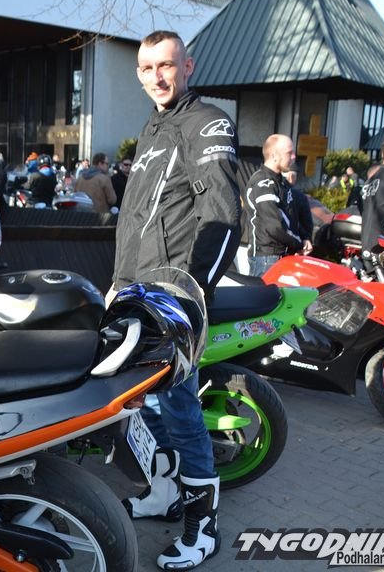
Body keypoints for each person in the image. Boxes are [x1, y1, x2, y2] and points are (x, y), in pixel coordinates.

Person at [109, 30, 240, 571]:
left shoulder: (207, 122)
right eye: (146, 68)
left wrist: (189, 296)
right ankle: (165, 493)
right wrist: (118, 285)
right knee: (145, 403)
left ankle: (204, 528)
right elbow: (139, 220)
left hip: (172, 298)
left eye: (166, 65)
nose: (156, 76)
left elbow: (223, 217)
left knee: (181, 409)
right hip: (135, 293)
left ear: (188, 66)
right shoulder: (152, 127)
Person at [245, 135, 304, 275]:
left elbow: (290, 216)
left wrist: (304, 237)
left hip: (280, 255)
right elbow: (274, 226)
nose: (294, 156)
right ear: (274, 156)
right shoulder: (263, 183)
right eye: (289, 153)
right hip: (266, 257)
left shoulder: (281, 182)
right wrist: (298, 243)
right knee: (264, 291)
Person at [281, 167, 313, 253]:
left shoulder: (273, 190)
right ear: (291, 176)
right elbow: (306, 222)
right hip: (295, 243)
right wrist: (306, 239)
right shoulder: (298, 195)